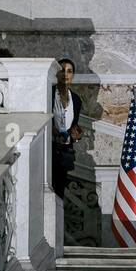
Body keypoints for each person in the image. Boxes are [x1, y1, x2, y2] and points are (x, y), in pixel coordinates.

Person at [52, 59, 84, 197]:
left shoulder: (76, 99)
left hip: (65, 151)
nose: (65, 74)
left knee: (59, 191)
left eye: (69, 71)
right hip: (48, 149)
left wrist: (76, 133)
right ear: (56, 73)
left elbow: (74, 124)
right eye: (62, 70)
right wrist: (55, 132)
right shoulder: (48, 93)